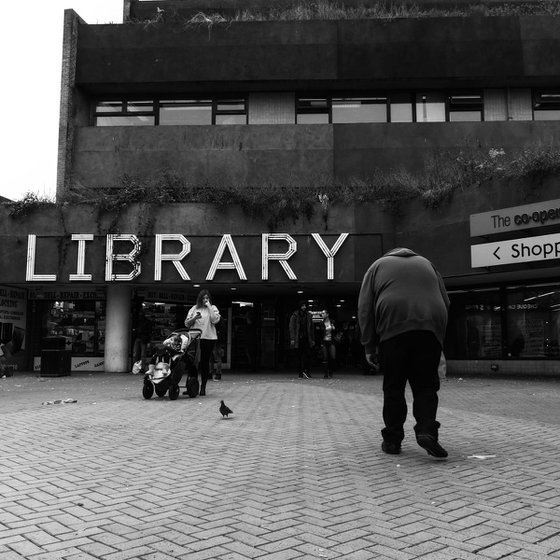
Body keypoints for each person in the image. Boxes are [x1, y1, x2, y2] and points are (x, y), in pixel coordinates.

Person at [358, 247, 450, 458]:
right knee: (426, 385)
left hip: (393, 326)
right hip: (430, 324)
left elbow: (365, 309)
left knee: (394, 386)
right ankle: (427, 430)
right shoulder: (428, 264)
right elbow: (446, 301)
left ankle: (392, 440)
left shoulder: (376, 267)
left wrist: (369, 346)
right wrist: (438, 339)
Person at [184, 289, 220, 396]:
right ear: (200, 299)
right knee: (192, 362)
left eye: (207, 298)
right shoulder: (194, 309)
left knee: (204, 362)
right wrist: (194, 318)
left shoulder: (213, 308)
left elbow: (215, 320)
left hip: (208, 338)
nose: (205, 300)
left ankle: (203, 387)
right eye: (203, 298)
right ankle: (192, 385)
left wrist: (209, 306)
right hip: (195, 338)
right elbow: (187, 324)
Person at [289, 300, 315, 378]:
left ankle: (306, 371)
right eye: (303, 306)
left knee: (308, 355)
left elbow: (312, 328)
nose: (304, 307)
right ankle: (301, 372)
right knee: (299, 356)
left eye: (305, 305)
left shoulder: (309, 315)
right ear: (300, 306)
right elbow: (291, 327)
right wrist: (292, 338)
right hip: (298, 339)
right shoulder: (295, 315)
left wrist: (313, 339)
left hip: (307, 338)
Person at [319, 309, 337, 378]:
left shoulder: (332, 322)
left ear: (327, 314)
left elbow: (337, 331)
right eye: (322, 313)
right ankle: (326, 373)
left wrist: (334, 329)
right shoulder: (321, 323)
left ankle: (331, 371)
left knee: (333, 357)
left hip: (331, 341)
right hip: (324, 341)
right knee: (325, 357)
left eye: (323, 313)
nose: (322, 315)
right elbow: (319, 334)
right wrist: (320, 342)